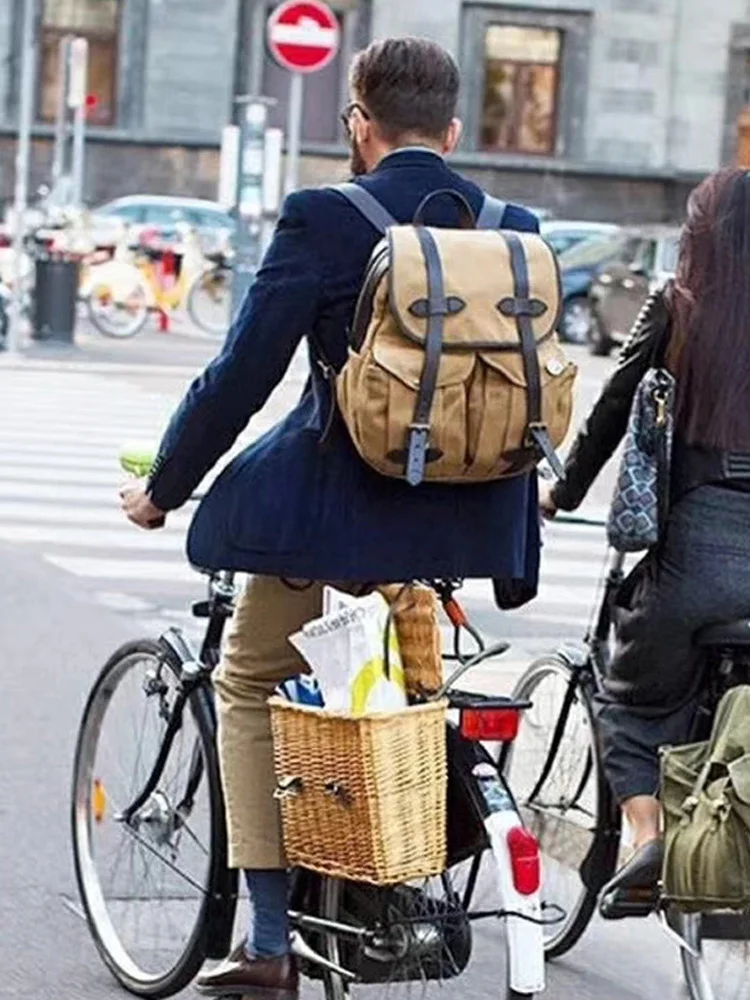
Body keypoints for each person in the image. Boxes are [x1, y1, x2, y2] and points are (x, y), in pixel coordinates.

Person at [121, 37, 541, 997]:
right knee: (414, 702)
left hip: (336, 528)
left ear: (360, 121)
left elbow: (240, 377)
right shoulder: (514, 228)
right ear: (454, 127)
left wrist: (166, 487)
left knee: (250, 681)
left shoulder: (323, 218)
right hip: (467, 529)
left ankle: (267, 941)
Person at [541, 168, 750, 913]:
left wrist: (559, 492)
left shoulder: (679, 305)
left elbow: (611, 407)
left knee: (625, 686)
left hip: (701, 559)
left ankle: (645, 832)